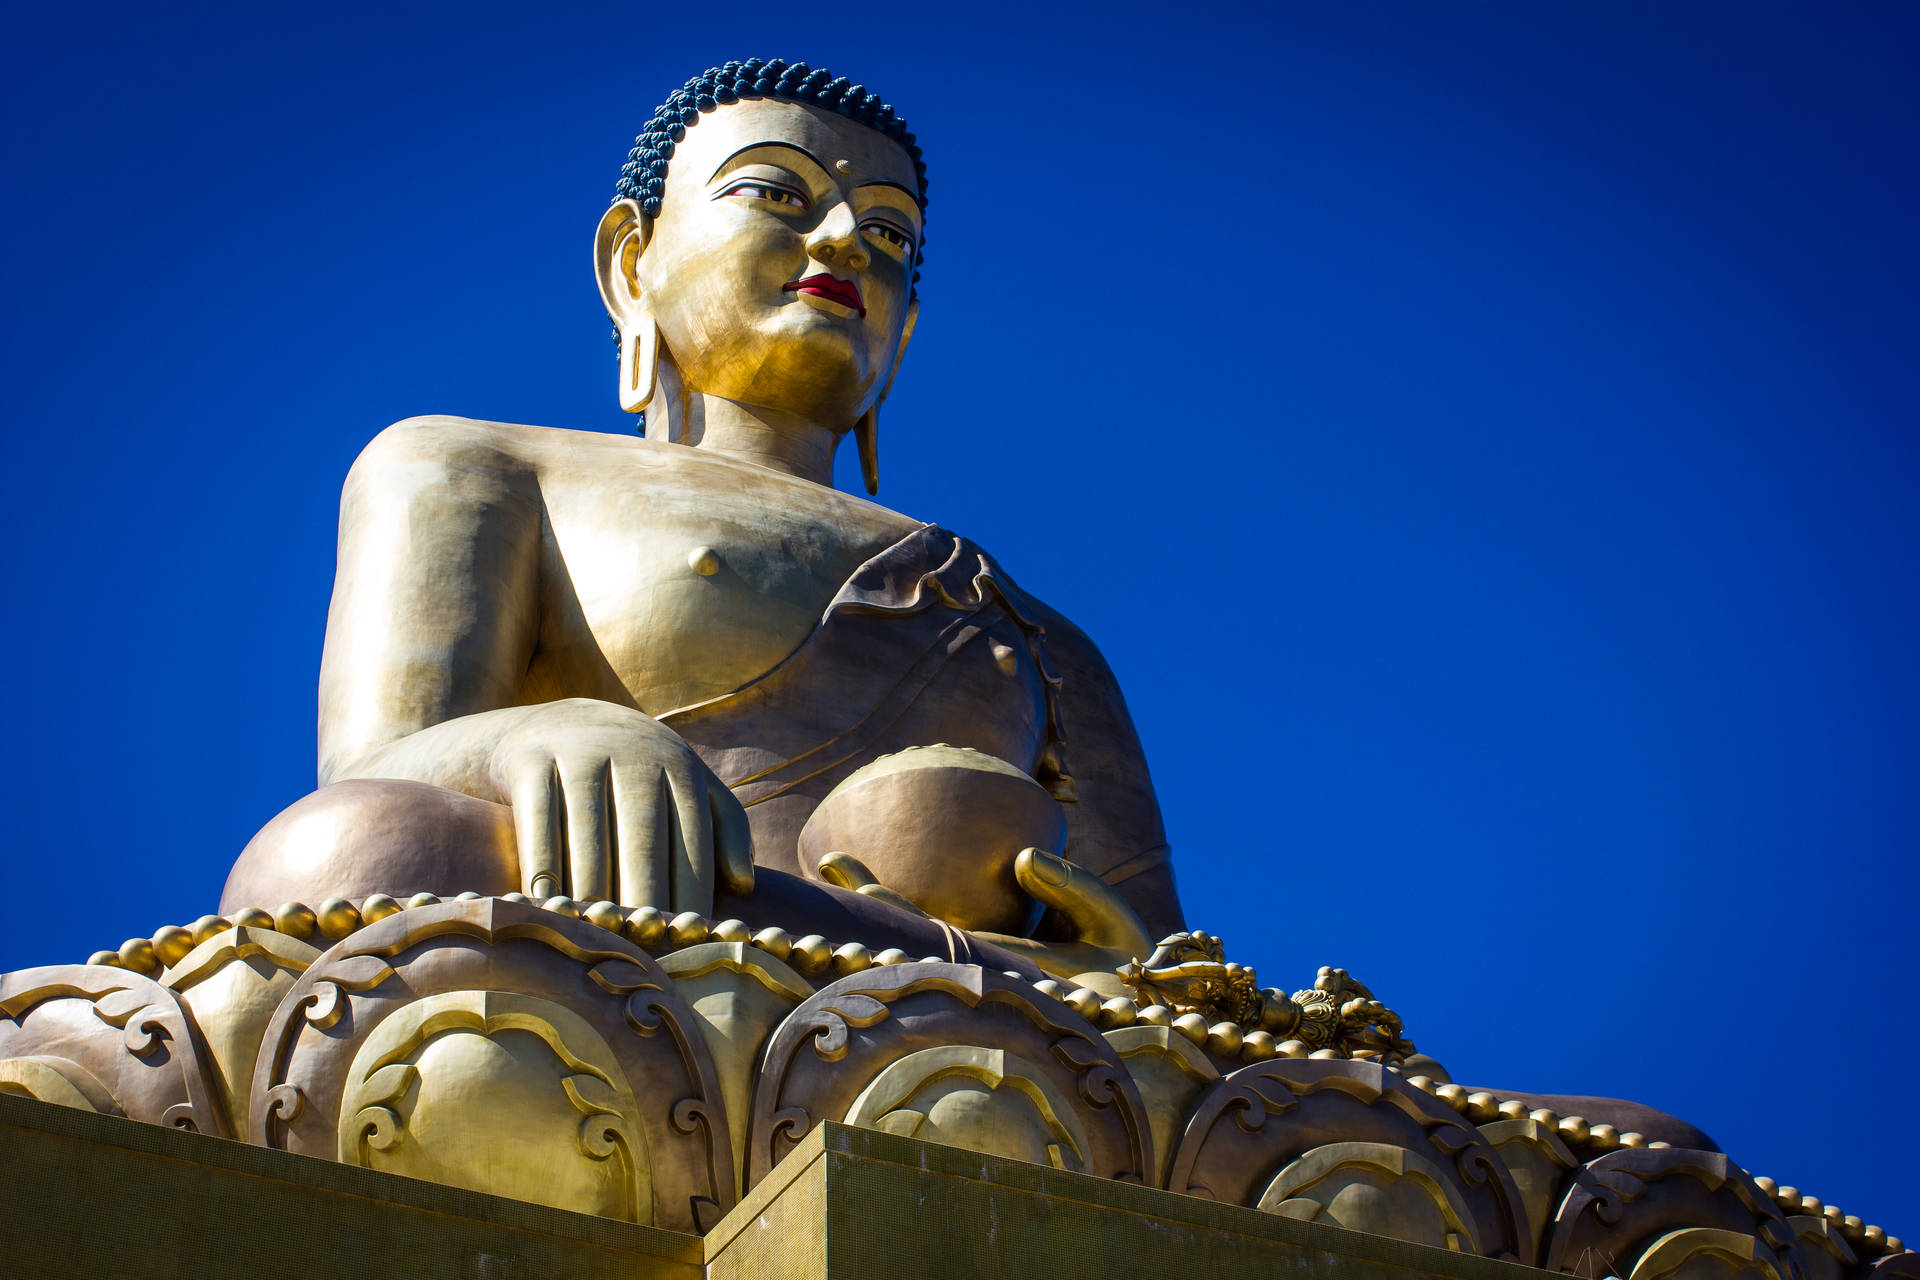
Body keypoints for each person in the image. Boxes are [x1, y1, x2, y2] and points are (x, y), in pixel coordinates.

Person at [221, 59, 1177, 982]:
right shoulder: (474, 465)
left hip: (928, 1000)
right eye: (777, 192)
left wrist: (1094, 974)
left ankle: (923, 989)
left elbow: (1172, 974)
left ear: (906, 328)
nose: (845, 241)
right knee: (342, 855)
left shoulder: (1030, 630)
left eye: (891, 236)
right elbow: (372, 768)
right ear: (632, 263)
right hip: (599, 937)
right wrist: (539, 737)